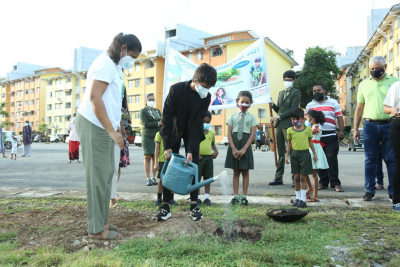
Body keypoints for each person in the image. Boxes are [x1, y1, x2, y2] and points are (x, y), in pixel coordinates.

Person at [75, 32, 142, 240]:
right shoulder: (104, 63)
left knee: (106, 176)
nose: (132, 62)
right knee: (97, 178)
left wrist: (118, 126)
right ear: (122, 49)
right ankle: (95, 230)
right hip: (95, 125)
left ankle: (103, 222)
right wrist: (110, 130)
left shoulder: (115, 67)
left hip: (106, 126)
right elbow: (95, 98)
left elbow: (113, 100)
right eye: (132, 56)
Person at [158, 63, 217, 222]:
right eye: (204, 86)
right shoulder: (176, 90)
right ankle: (165, 205)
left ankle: (194, 205)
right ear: (195, 80)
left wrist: (191, 149)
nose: (206, 89)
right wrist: (167, 145)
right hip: (174, 130)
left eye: (209, 87)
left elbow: (198, 122)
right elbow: (167, 118)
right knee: (170, 163)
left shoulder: (206, 97)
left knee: (193, 164)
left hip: (192, 130)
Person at [354, 56, 398, 201]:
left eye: (377, 68)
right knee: (370, 160)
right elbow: (359, 108)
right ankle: (369, 190)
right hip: (369, 126)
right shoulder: (364, 84)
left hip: (389, 125)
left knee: (391, 159)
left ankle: (393, 191)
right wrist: (355, 129)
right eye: (371, 69)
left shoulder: (395, 82)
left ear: (384, 66)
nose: (374, 71)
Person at [305, 83, 345, 192]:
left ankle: (335, 183)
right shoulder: (309, 105)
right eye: (314, 91)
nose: (316, 92)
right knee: (318, 159)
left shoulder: (333, 102)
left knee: (331, 158)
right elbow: (306, 121)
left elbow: (339, 117)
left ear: (324, 91)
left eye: (319, 90)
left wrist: (341, 130)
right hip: (316, 138)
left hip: (331, 136)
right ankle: (323, 182)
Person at [225, 91, 257, 205]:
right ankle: (235, 196)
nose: (244, 104)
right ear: (237, 102)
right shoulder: (232, 116)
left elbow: (252, 134)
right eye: (242, 102)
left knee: (245, 171)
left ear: (250, 103)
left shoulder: (252, 117)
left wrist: (244, 149)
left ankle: (244, 196)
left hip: (245, 145)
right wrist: (233, 148)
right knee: (236, 172)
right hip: (234, 143)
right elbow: (229, 133)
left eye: (247, 102)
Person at [269, 70, 301, 186]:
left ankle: (295, 178)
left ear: (293, 80)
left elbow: (293, 109)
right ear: (283, 80)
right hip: (279, 126)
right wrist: (271, 103)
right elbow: (279, 109)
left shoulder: (296, 92)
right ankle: (278, 177)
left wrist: (278, 117)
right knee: (280, 152)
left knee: (292, 151)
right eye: (286, 80)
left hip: (288, 124)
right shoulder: (281, 93)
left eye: (290, 80)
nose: (287, 82)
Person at [285, 108, 317, 208]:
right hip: (294, 155)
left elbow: (310, 142)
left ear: (302, 119)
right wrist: (287, 155)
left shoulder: (307, 129)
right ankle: (297, 198)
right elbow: (289, 144)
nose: (295, 121)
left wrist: (314, 154)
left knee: (303, 177)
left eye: (297, 119)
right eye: (293, 119)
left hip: (305, 155)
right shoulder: (290, 130)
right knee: (296, 177)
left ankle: (303, 199)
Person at [383, 80, 400, 211]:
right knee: (398, 163)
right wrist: (392, 109)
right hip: (398, 123)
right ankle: (397, 201)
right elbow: (385, 108)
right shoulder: (396, 86)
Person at [154, 115, 178, 206]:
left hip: (172, 161)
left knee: (172, 180)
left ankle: (171, 199)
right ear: (161, 123)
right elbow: (156, 149)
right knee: (160, 180)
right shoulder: (158, 134)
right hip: (161, 161)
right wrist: (156, 162)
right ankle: (159, 198)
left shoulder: (173, 134)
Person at [305, 110, 329, 202]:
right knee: (306, 171)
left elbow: (311, 133)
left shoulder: (316, 127)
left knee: (314, 174)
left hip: (314, 149)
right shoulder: (311, 126)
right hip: (310, 148)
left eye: (307, 118)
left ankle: (315, 195)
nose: (306, 120)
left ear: (312, 119)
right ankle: (310, 189)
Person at [140, 93, 161, 186]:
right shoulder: (143, 111)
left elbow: (162, 123)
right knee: (147, 157)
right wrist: (157, 124)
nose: (151, 101)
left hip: (156, 136)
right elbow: (145, 123)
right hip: (147, 136)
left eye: (153, 99)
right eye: (149, 99)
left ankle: (153, 177)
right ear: (146, 100)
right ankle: (148, 178)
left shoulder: (157, 111)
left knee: (154, 157)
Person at [197, 111, 219, 206]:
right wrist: (196, 154)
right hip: (199, 158)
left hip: (208, 158)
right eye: (204, 121)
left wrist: (216, 151)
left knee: (208, 178)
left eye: (208, 122)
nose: (205, 124)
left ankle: (206, 197)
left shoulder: (211, 133)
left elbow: (212, 144)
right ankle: (197, 197)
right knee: (197, 179)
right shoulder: (196, 132)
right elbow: (192, 145)